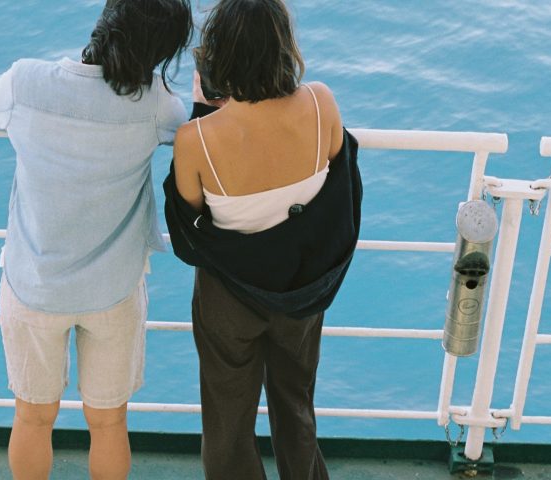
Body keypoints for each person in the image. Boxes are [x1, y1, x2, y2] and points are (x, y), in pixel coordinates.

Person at [0, 1, 192, 479]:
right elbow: (189, 134)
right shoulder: (158, 107)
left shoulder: (27, 82)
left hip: (34, 285)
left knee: (31, 416)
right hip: (113, 291)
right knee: (109, 422)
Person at [163, 0, 362, 478]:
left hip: (228, 301)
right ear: (283, 47)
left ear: (218, 57)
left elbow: (189, 228)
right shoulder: (321, 103)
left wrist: (203, 111)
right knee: (295, 403)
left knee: (227, 417)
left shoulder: (196, 139)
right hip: (304, 291)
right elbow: (341, 185)